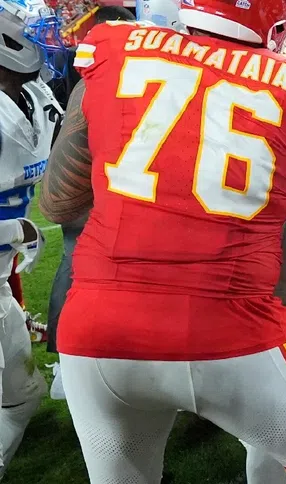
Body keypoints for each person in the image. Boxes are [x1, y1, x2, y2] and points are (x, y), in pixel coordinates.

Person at [40, 0, 286, 480]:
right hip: (233, 330)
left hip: (98, 328)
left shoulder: (114, 48)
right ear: (277, 25)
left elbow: (57, 204)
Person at [45, 2, 137, 394]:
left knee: (81, 264)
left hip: (97, 181)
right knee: (76, 262)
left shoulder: (93, 68)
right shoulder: (103, 75)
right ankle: (66, 363)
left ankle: (72, 361)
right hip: (89, 185)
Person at [0, 0, 65, 475]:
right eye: (37, 31)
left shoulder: (37, 96)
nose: (48, 41)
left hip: (1, 281)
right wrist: (15, 229)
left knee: (22, 397)